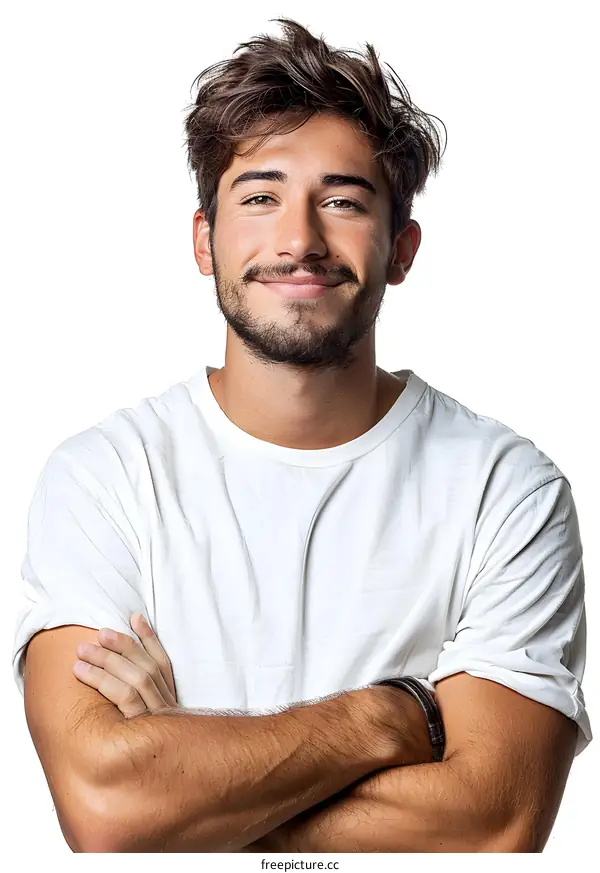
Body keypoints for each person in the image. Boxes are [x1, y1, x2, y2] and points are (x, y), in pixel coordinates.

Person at [13, 17, 591, 854]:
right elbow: (105, 806)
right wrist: (395, 712)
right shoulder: (104, 477)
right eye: (260, 197)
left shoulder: (507, 489)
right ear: (205, 241)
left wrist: (188, 775)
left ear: (401, 249)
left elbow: (495, 821)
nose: (299, 240)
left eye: (343, 201)